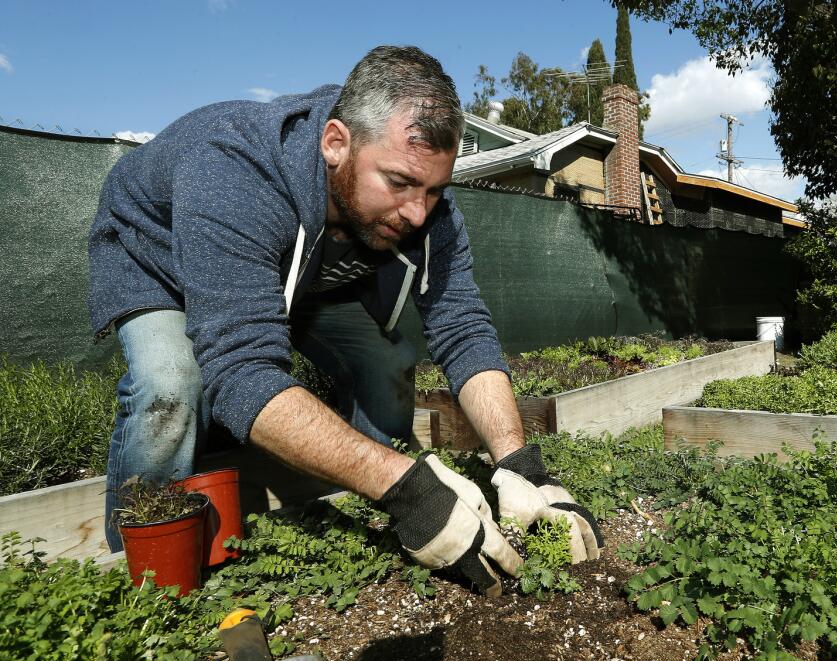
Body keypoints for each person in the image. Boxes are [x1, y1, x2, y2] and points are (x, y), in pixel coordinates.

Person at [87, 45, 600, 596]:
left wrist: (520, 464)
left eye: (434, 189)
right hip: (158, 255)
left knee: (386, 363)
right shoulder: (233, 168)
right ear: (336, 143)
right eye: (399, 182)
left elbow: (463, 328)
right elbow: (241, 372)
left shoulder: (427, 208)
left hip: (302, 267)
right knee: (173, 386)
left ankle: (377, 506)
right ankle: (144, 576)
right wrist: (405, 487)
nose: (418, 212)